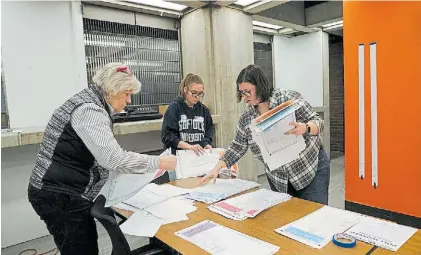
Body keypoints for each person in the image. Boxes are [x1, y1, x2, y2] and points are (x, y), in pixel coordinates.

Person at [27, 62, 177, 255]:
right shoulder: (89, 110)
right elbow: (112, 159)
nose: (129, 101)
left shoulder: (92, 103)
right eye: (126, 94)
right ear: (112, 90)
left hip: (65, 190)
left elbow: (101, 157)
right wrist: (156, 162)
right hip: (59, 194)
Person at [201, 64, 330, 205]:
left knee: (313, 216)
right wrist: (217, 168)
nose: (244, 97)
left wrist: (306, 128)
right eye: (241, 93)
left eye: (247, 92)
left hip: (309, 168)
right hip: (279, 178)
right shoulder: (247, 117)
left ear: (260, 86)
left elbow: (318, 122)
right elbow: (237, 147)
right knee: (289, 219)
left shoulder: (287, 98)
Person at [161, 73, 215, 181]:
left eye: (200, 94)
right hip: (178, 159)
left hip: (197, 158)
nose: (197, 97)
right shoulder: (174, 108)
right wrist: (189, 146)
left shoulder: (203, 110)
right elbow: (167, 136)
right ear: (185, 90)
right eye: (194, 93)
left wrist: (206, 143)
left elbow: (209, 130)